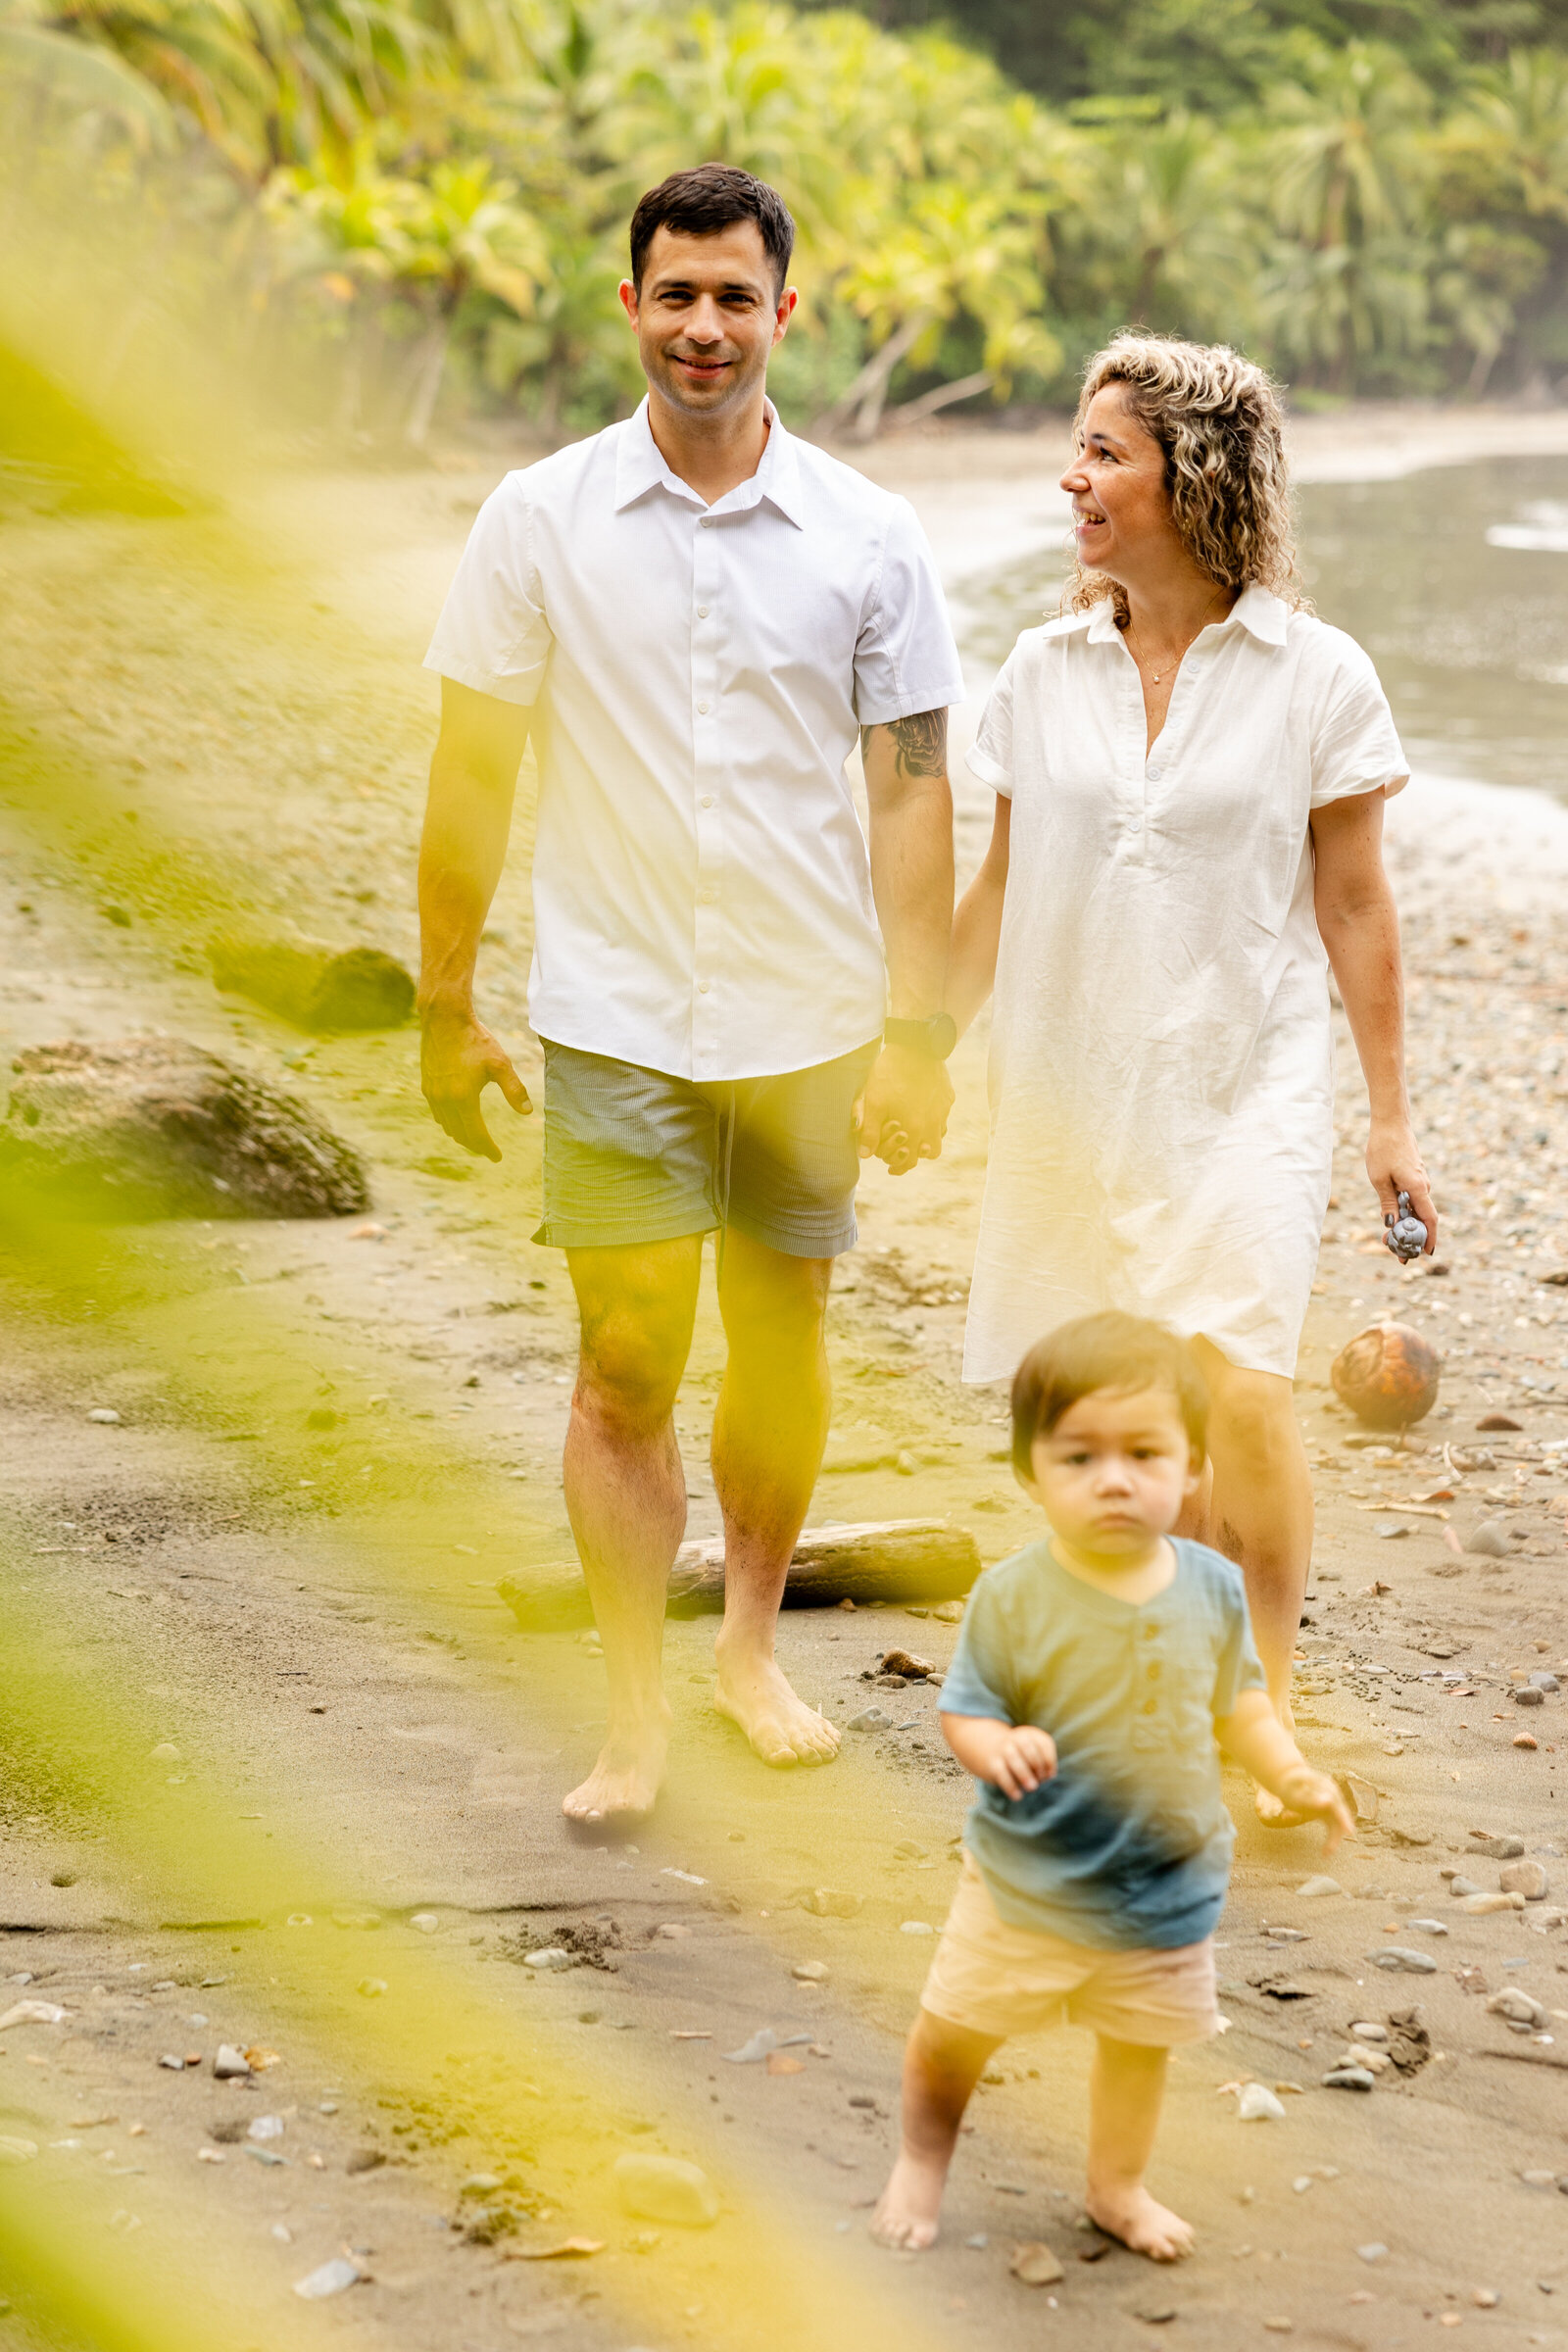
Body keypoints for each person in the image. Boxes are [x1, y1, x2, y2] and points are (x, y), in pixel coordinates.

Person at [416, 164, 965, 1824]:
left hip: (809, 1026)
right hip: (614, 1016)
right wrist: (445, 1001)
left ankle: (746, 1646)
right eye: (678, 294)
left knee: (783, 1348)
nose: (705, 327)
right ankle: (635, 1708)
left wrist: (922, 1033)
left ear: (784, 313)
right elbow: (472, 771)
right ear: (632, 307)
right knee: (623, 1368)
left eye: (737, 297)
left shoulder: (874, 537)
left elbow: (916, 792)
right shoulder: (539, 518)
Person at [942, 333, 1436, 1820]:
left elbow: (1354, 906)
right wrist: (913, 1055)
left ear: (1193, 474)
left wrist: (1391, 1120)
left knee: (1249, 1399)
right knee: (1107, 1420)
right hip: (1076, 1089)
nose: (1072, 478)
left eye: (1104, 454)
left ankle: (1266, 1712)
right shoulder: (1042, 670)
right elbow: (1000, 886)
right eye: (1077, 451)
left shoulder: (1315, 673)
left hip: (1248, 1084)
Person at [872, 1312, 1351, 2262]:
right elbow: (962, 1709)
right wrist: (993, 1744)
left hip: (1163, 1885)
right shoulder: (1014, 1594)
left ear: (1193, 1467)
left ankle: (1115, 2186)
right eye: (1079, 1457)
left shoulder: (1212, 1587)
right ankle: (920, 2162)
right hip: (1025, 1883)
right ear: (1030, 1472)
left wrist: (1289, 1770)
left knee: (1137, 2049)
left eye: (1144, 1452)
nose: (1116, 1479)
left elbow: (1241, 1705)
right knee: (953, 2036)